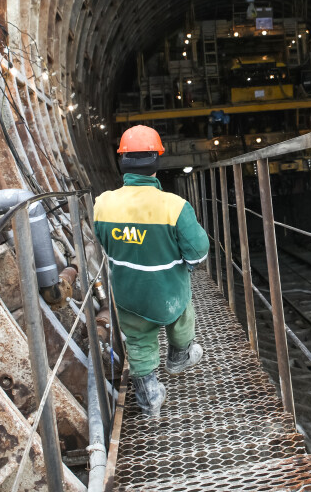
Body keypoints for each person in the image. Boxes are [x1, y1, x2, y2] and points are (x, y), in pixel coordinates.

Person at [93, 125, 209, 417]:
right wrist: (187, 263)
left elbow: (103, 242)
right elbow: (199, 251)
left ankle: (150, 399)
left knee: (139, 341)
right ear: (157, 161)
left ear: (122, 163)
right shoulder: (175, 207)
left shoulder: (102, 204)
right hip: (167, 291)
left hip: (127, 293)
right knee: (182, 315)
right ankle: (179, 358)